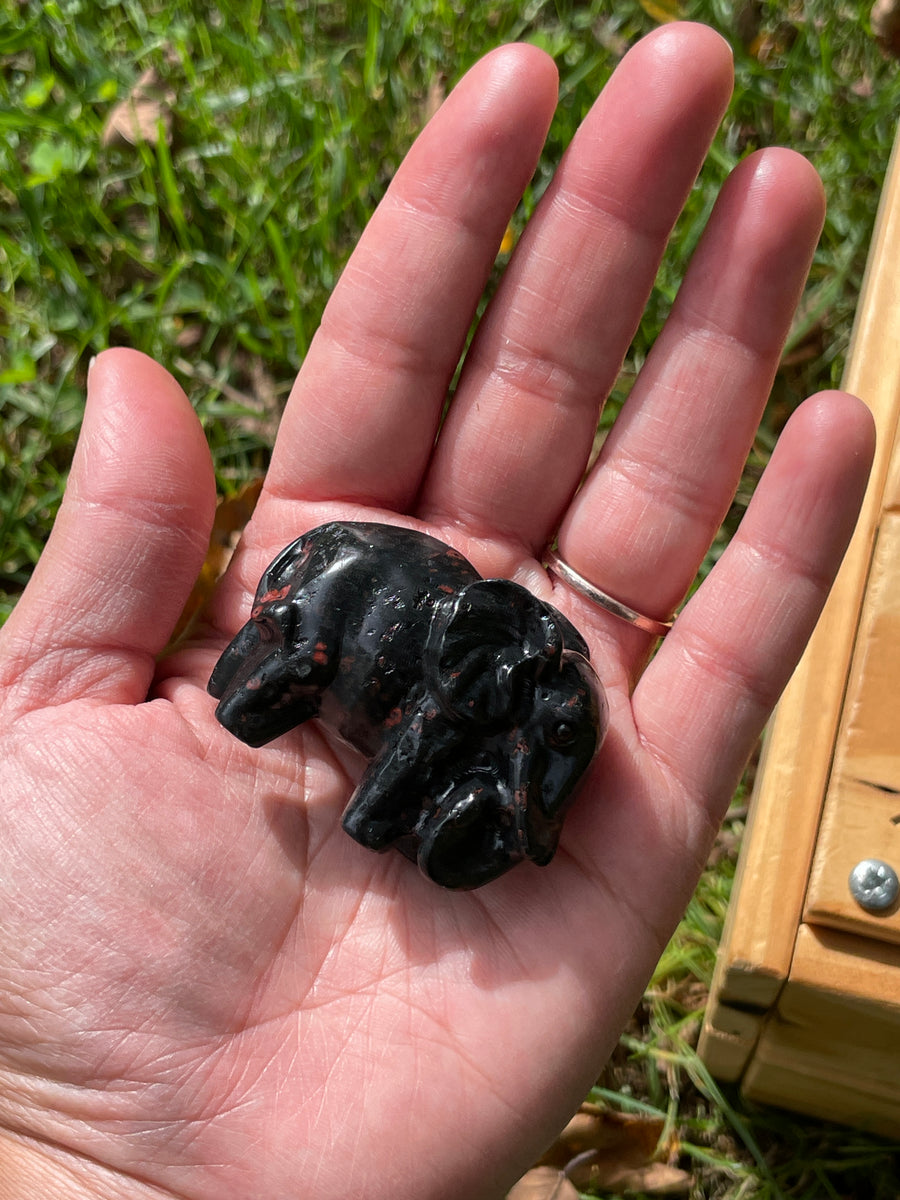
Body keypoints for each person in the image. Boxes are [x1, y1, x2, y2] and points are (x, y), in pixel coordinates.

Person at [0, 22, 875, 1200]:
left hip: (397, 624)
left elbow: (445, 787)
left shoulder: (510, 690)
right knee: (314, 685)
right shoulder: (464, 672)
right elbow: (376, 797)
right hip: (349, 602)